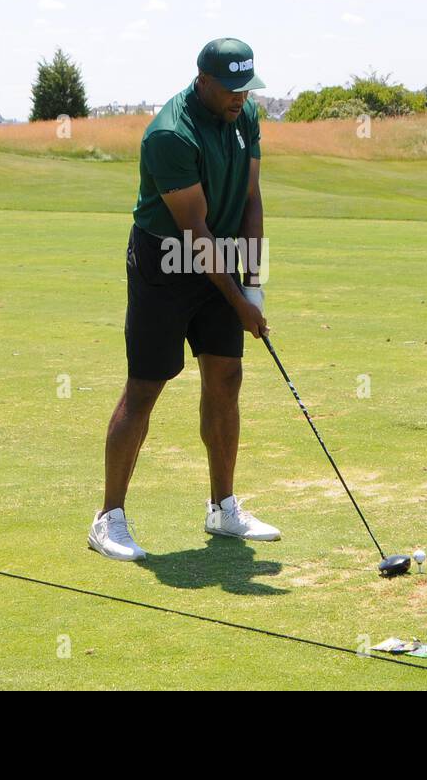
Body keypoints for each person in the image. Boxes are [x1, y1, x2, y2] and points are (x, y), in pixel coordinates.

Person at [89, 38, 279, 561]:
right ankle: (108, 519)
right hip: (165, 262)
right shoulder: (171, 134)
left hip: (216, 255)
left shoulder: (246, 116)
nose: (242, 96)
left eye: (248, 87)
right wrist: (240, 303)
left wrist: (254, 283)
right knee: (147, 385)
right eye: (232, 88)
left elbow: (250, 197)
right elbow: (192, 231)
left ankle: (223, 508)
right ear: (204, 82)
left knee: (227, 375)